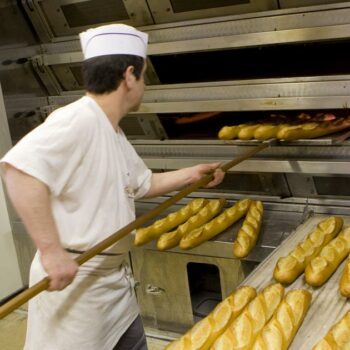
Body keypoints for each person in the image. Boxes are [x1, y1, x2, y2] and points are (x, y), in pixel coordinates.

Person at [0, 24, 225, 350]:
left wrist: (193, 174)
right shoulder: (78, 120)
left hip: (112, 284)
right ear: (130, 75)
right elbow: (19, 171)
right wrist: (51, 252)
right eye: (144, 76)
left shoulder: (111, 131)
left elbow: (142, 183)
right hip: (76, 287)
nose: (144, 86)